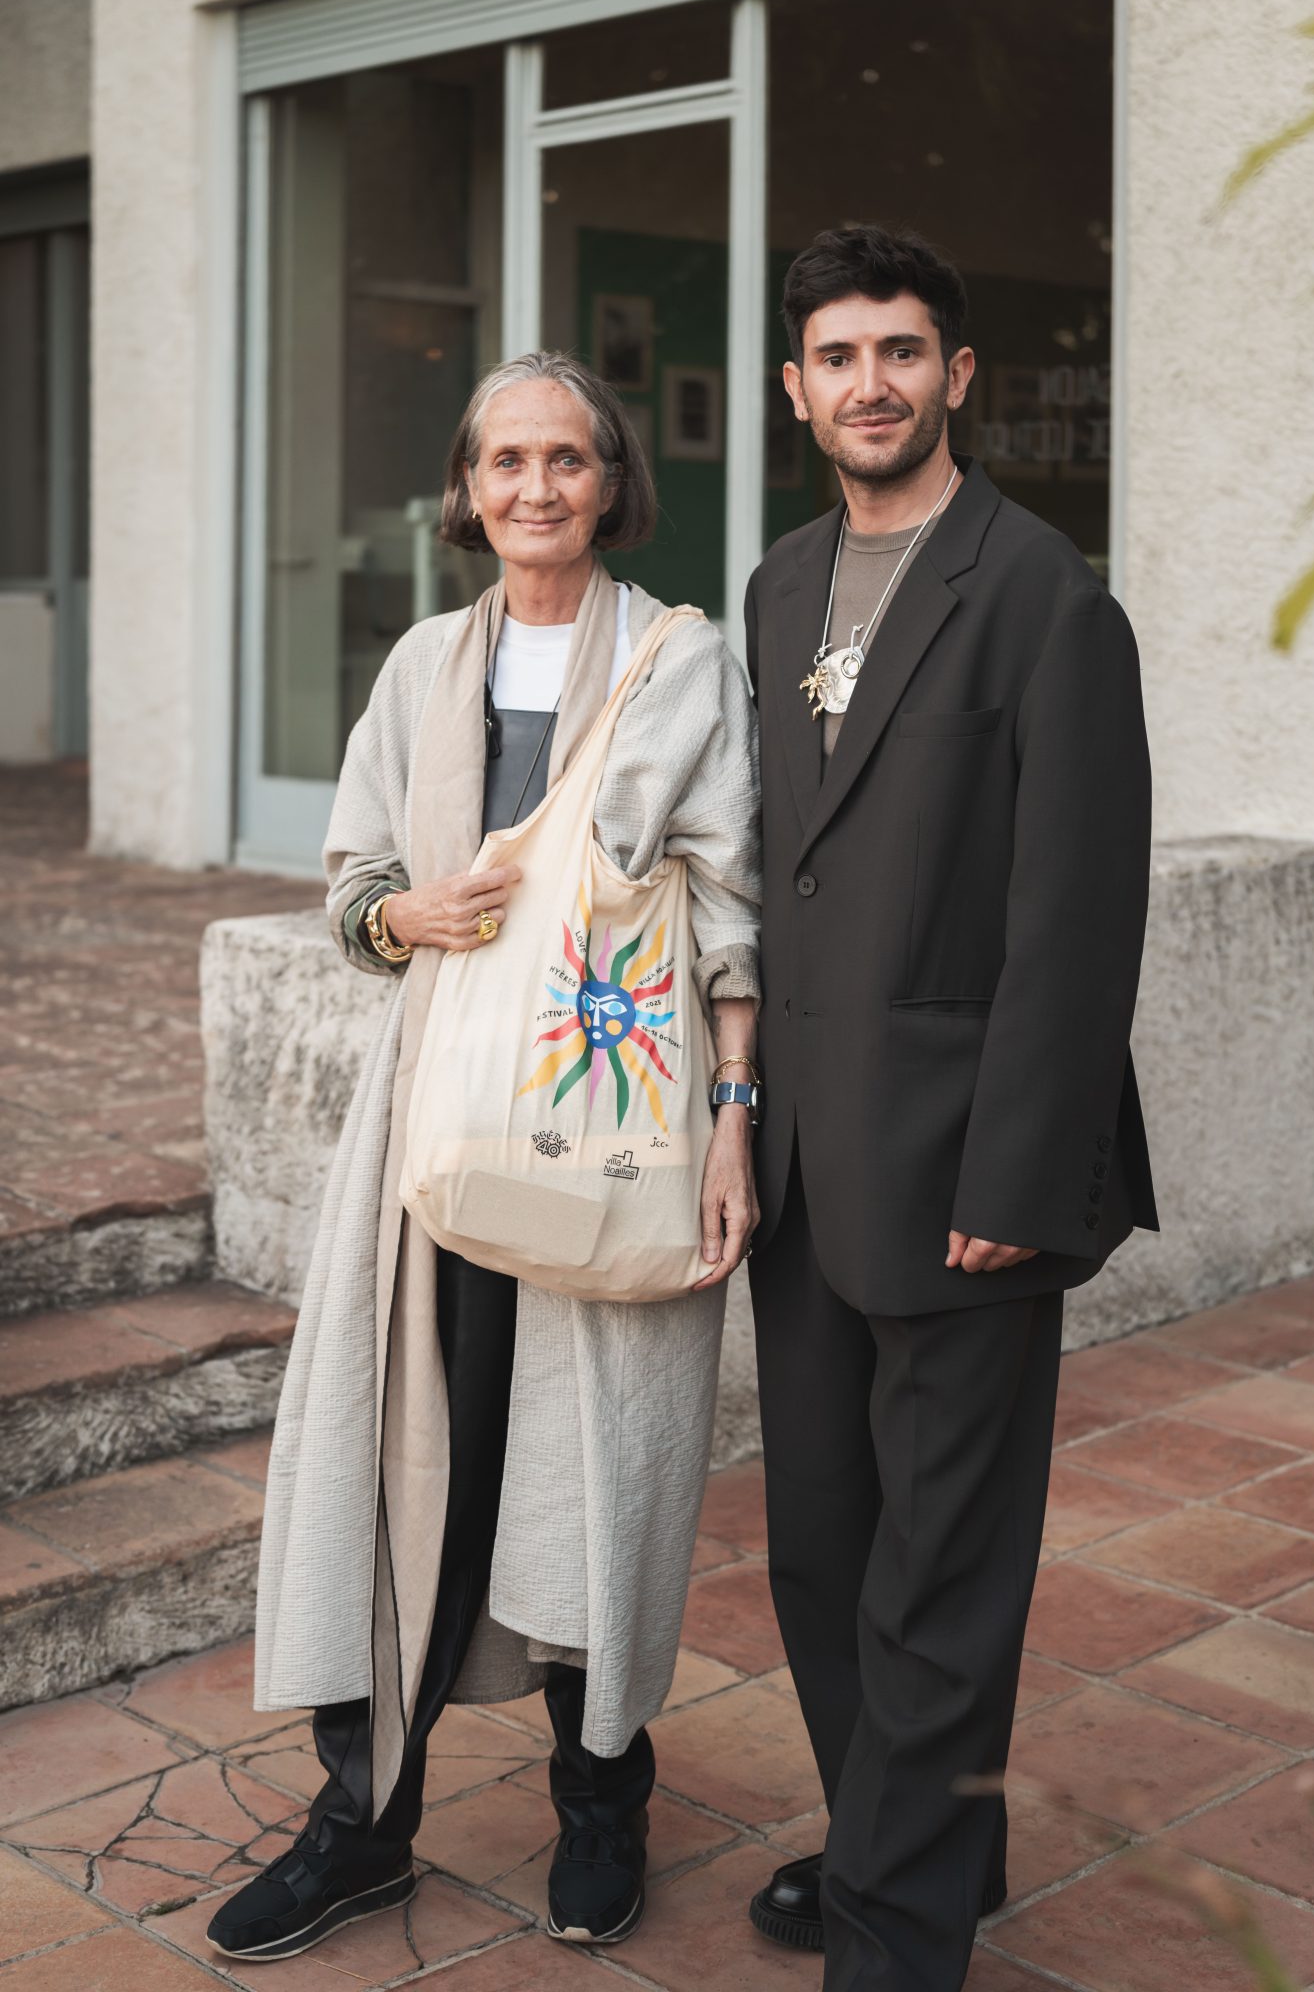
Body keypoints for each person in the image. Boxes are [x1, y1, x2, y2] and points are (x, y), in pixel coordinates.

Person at [208, 351, 761, 1966]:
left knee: (599, 1471)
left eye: (567, 460)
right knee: (401, 1455)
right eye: (505, 461)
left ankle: (603, 1803)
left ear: (611, 483)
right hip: (434, 1125)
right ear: (466, 489)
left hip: (619, 1115)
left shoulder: (679, 664)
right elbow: (355, 879)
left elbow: (729, 909)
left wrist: (737, 1119)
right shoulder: (422, 665)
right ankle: (362, 1820)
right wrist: (401, 913)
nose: (535, 489)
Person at [742, 226, 1157, 1990]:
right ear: (797, 389)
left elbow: (1080, 922)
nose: (871, 383)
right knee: (824, 1560)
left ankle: (894, 1937)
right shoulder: (771, 589)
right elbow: (777, 874)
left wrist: (1022, 1171)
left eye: (902, 351)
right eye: (839, 356)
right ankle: (917, 1842)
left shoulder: (1049, 597)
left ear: (957, 377)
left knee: (943, 1584)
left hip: (965, 1173)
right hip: (803, 1172)